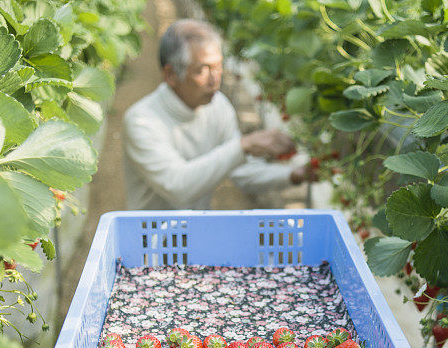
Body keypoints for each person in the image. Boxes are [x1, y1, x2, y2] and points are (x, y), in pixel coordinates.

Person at [123, 19, 315, 210]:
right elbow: (177, 186)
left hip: (197, 229)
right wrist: (244, 145)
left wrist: (296, 174)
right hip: (151, 236)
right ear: (171, 75)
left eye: (218, 66)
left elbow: (241, 171)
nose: (215, 80)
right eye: (202, 70)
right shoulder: (141, 121)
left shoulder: (218, 106)